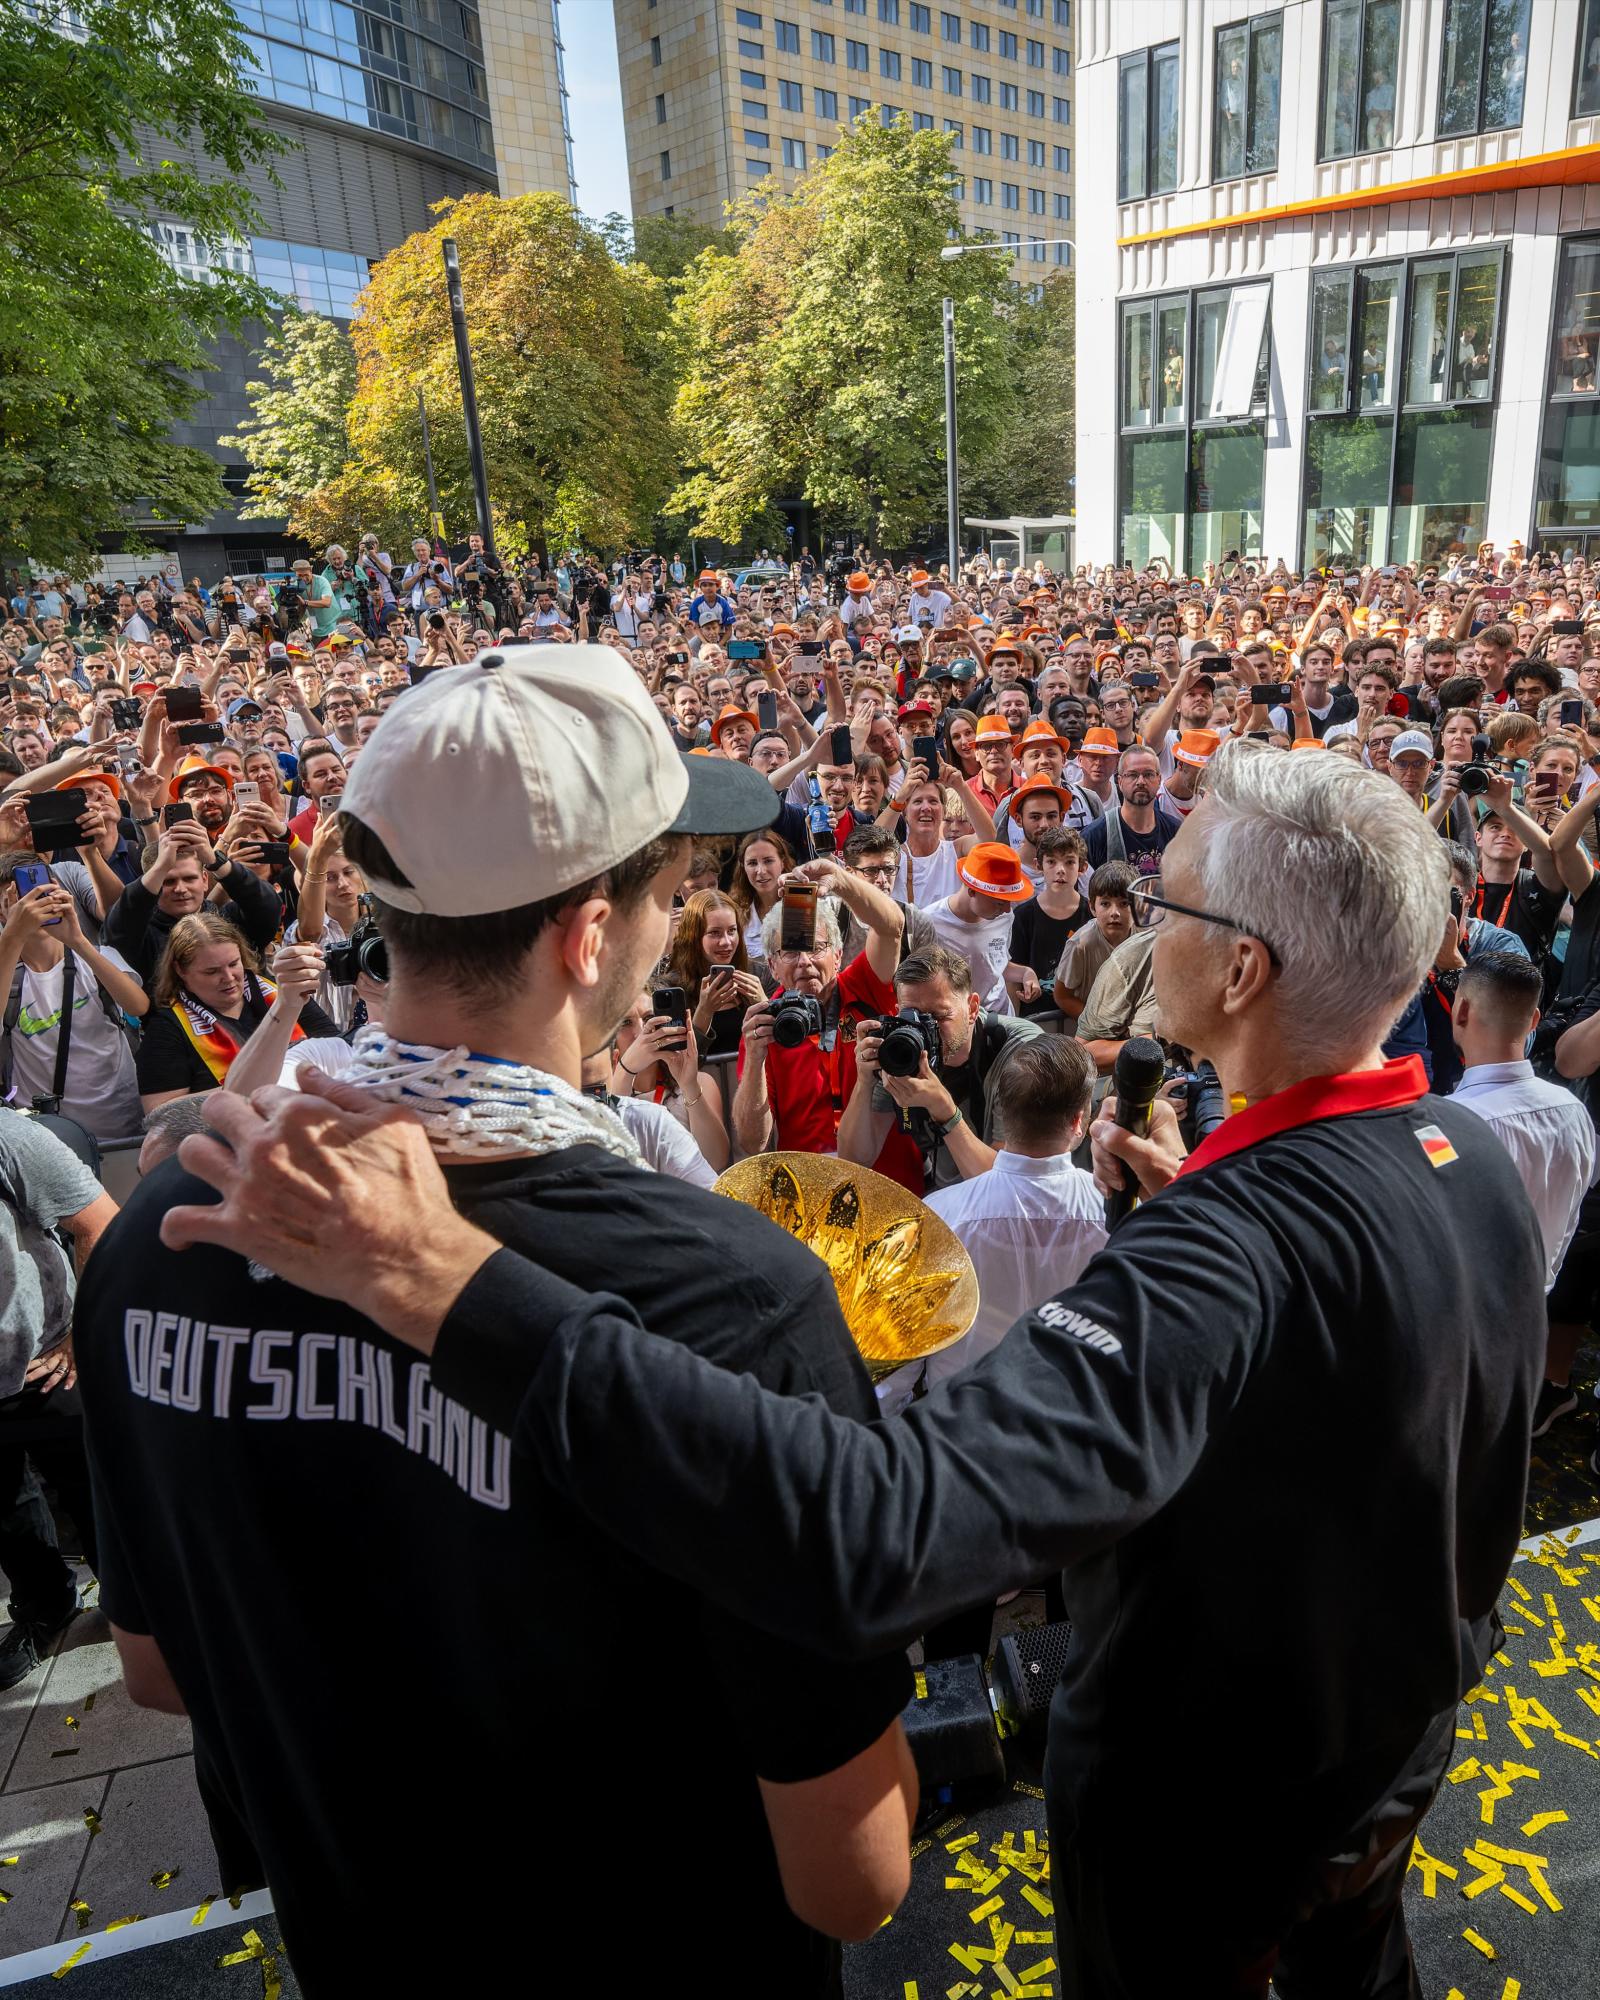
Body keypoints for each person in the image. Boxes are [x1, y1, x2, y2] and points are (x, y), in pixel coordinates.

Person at [168, 738, 1550, 1998]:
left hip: (1209, 1830)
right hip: (1386, 1766)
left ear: (1243, 972)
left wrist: (445, 1284)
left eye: (1166, 904)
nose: (1133, 918)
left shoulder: (1222, 1254)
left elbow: (886, 1530)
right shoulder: (1469, 1156)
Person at [76, 645, 918, 1995]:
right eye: (668, 894)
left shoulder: (167, 1228)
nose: (673, 925)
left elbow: (158, 1671)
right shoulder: (735, 1298)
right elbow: (854, 1878)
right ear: (590, 937)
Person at [1451, 953, 1597, 1435]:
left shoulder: (1448, 1123)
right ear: (1534, 1020)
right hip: (1533, 1317)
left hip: (1460, 1332)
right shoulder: (1574, 1111)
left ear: (1461, 1012)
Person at [0, 1113, 117, 1688]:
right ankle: (46, 1611)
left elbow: (100, 1223)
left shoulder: (7, 1136)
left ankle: (139, 1611)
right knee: (7, 1515)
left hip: (46, 1367)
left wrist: (80, 1334)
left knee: (99, 1496)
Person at [922, 1034, 1104, 1386]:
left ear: (1003, 1110)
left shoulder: (941, 1213)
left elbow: (906, 1344)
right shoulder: (1114, 1212)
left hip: (958, 1415)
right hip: (1071, 1412)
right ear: (1079, 1121)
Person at [837, 943, 1043, 1192]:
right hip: (947, 1196)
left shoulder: (1020, 1052)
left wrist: (944, 1110)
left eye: (939, 1017)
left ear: (972, 1008)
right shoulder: (901, 1051)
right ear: (897, 1012)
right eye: (914, 1017)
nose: (927, 1030)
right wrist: (864, 1081)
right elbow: (855, 1160)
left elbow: (1004, 1186)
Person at [0, 857, 146, 1142]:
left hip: (121, 1122)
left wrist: (77, 939)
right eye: (19, 901)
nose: (33, 908)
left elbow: (137, 1005)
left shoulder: (97, 955)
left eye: (41, 894)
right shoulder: (8, 974)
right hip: (46, 1136)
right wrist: (13, 935)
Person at [136, 913, 340, 1108]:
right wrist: (241, 1087)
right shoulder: (167, 1028)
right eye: (212, 971)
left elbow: (337, 1048)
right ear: (180, 970)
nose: (228, 977)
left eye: (233, 964)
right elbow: (159, 1112)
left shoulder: (281, 994)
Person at [609, 990, 729, 1175]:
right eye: (626, 1022)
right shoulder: (600, 1095)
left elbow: (715, 1161)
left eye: (649, 1018)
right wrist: (626, 1071)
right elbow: (613, 1155)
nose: (641, 1032)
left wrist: (688, 1085)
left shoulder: (700, 1082)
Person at [918, 842, 1035, 1016]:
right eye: (999, 902)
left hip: (999, 1015)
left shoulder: (1004, 917)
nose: (1006, 910)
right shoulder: (929, 923)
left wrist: (1026, 973)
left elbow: (993, 964)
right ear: (972, 891)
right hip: (956, 1020)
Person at [666, 888, 766, 1062]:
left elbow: (782, 1044)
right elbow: (675, 1063)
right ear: (694, 936)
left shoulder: (760, 975)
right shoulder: (672, 989)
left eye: (732, 931)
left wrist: (764, 1003)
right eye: (715, 933)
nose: (726, 942)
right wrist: (705, 1011)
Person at [1006, 824, 1089, 1014]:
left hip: (1080, 1017)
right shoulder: (1023, 917)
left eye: (1069, 862)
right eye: (1051, 862)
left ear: (1082, 867)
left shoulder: (1091, 915)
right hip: (1036, 1020)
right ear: (1038, 865)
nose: (1060, 870)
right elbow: (1013, 979)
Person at [1051, 861, 1138, 1021]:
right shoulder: (1081, 944)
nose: (1115, 912)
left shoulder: (1145, 938)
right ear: (1092, 907)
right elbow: (1062, 996)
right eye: (1105, 904)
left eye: (1124, 903)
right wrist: (1097, 1023)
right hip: (1095, 1028)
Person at [1083, 743, 1180, 876]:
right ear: (1120, 781)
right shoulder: (1095, 836)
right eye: (1132, 775)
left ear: (1159, 780)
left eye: (1148, 774)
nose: (1141, 781)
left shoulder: (1175, 832)